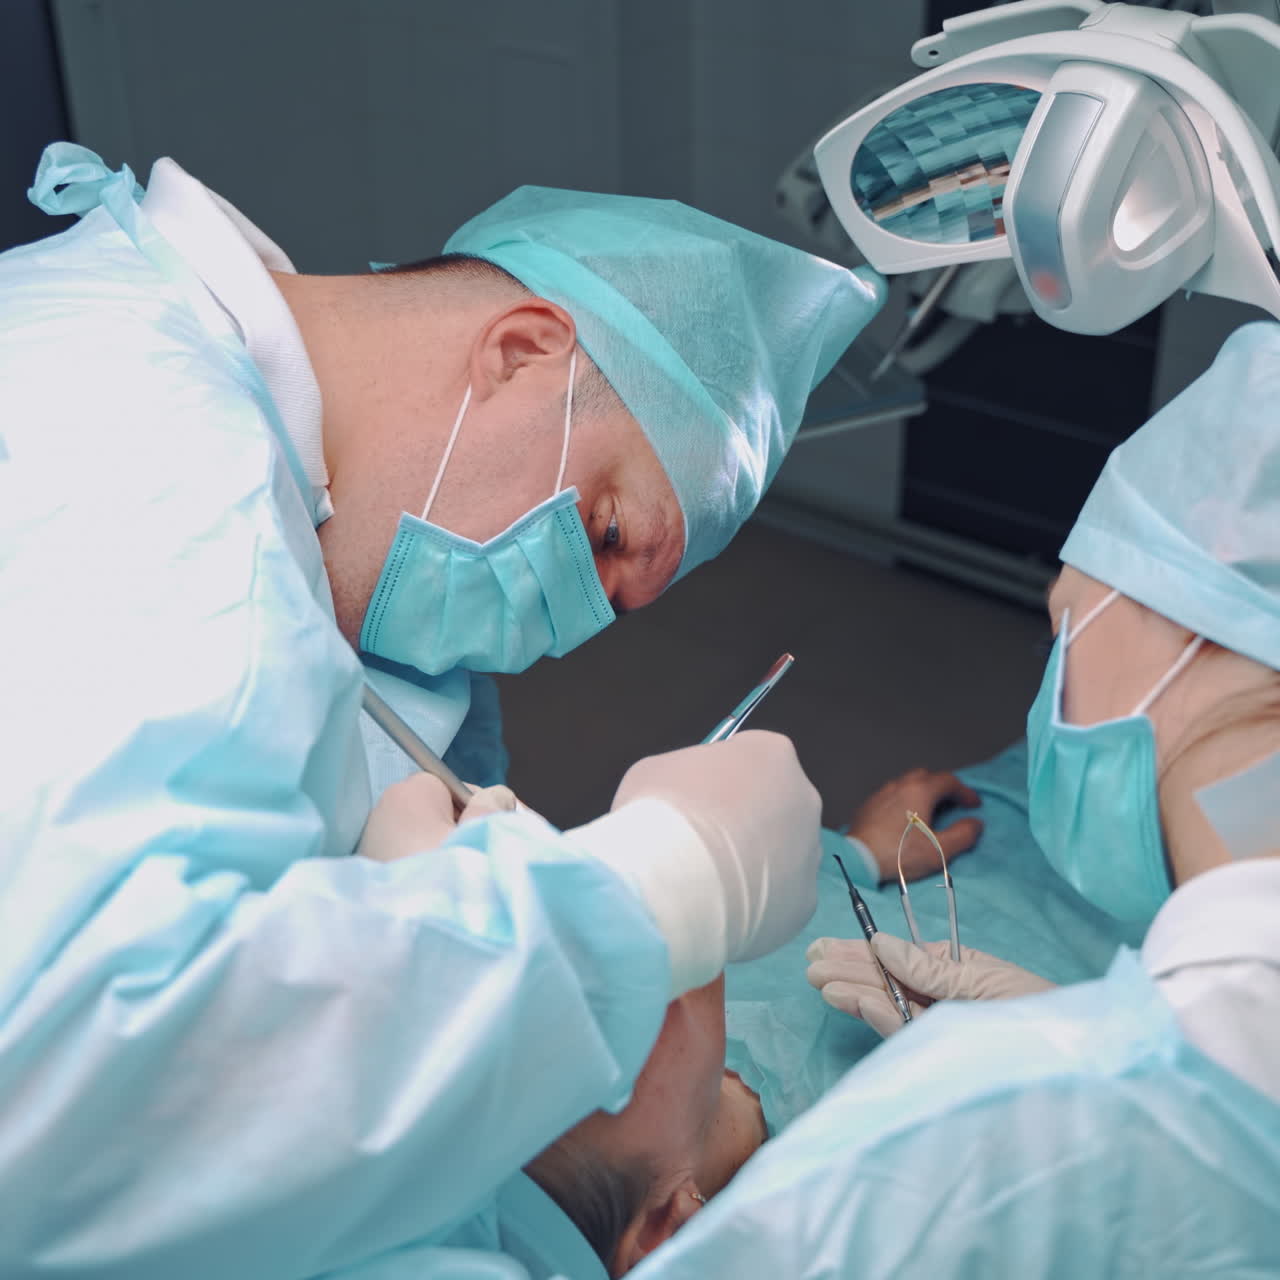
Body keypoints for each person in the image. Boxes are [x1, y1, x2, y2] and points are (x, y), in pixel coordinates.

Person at [0, 141, 884, 1278]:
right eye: (607, 533)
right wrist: (660, 882)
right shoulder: (189, 511)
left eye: (608, 607)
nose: (560, 625)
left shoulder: (105, 315)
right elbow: (81, 1100)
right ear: (522, 349)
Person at [635, 322, 1280, 1277]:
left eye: (1065, 620)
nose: (1057, 670)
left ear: (1200, 624)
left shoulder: (942, 1164)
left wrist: (1044, 1066)